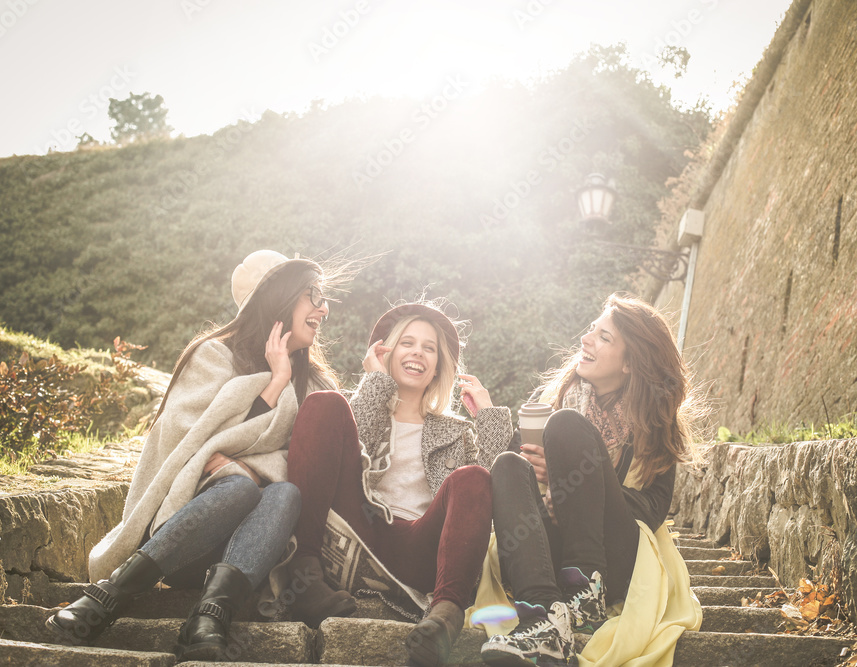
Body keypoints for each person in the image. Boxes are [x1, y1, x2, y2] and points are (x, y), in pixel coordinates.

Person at [46, 250, 351, 661]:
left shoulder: (313, 382)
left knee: (285, 495)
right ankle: (108, 595)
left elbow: (304, 465)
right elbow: (187, 441)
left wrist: (248, 457)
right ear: (278, 297)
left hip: (250, 553)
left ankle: (209, 617)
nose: (323, 307)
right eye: (313, 294)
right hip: (183, 537)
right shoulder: (213, 355)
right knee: (240, 488)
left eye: (324, 297)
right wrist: (273, 385)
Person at [286, 302, 513, 666]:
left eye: (429, 348)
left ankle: (445, 616)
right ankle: (305, 572)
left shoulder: (456, 432)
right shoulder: (360, 406)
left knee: (473, 476)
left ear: (439, 366)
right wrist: (376, 382)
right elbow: (348, 454)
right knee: (324, 403)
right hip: (357, 536)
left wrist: (487, 416)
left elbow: (485, 499)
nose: (417, 353)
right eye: (407, 343)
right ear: (385, 351)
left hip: (421, 551)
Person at [480, 293, 699, 666]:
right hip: (551, 547)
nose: (585, 339)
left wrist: (572, 479)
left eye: (604, 337)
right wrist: (539, 476)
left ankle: (586, 591)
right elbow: (516, 491)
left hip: (616, 556)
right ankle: (545, 618)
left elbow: (652, 510)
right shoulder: (552, 399)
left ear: (631, 363)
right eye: (591, 331)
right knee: (506, 466)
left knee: (567, 426)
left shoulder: (655, 423)